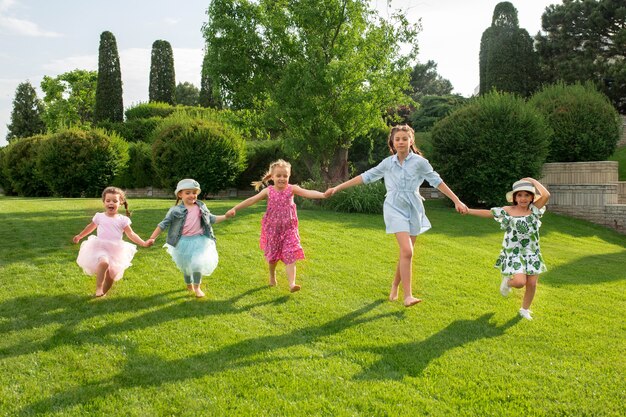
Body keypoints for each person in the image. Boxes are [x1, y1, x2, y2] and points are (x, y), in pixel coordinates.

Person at [325, 124, 467, 307]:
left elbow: (437, 181)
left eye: (404, 138)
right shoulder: (387, 163)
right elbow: (365, 177)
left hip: (414, 209)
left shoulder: (420, 163)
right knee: (408, 251)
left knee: (404, 254)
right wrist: (337, 187)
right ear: (392, 141)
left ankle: (394, 286)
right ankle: (408, 296)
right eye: (397, 139)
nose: (401, 142)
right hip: (393, 208)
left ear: (411, 141)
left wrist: (457, 201)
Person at [226, 159, 326, 292]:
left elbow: (308, 193)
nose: (282, 178)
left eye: (285, 176)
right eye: (278, 175)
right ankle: (272, 276)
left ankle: (292, 284)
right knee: (273, 258)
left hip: (289, 229)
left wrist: (323, 195)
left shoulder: (292, 189)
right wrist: (235, 208)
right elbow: (251, 200)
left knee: (290, 254)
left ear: (289, 176)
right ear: (272, 177)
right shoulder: (269, 191)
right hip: (273, 230)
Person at [464, 178, 550, 320]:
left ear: (532, 197)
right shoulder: (508, 210)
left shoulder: (535, 209)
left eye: (527, 195)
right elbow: (488, 213)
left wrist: (531, 180)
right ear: (515, 197)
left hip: (532, 252)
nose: (523, 198)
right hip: (514, 252)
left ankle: (525, 309)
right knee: (519, 282)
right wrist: (468, 211)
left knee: (532, 284)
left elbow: (546, 195)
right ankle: (507, 282)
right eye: (519, 195)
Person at [147, 179, 228, 298]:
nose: (192, 195)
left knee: (197, 264)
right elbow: (163, 224)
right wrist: (152, 238)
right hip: (182, 242)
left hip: (200, 241)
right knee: (185, 267)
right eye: (188, 192)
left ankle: (197, 287)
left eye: (194, 192)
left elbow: (211, 219)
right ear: (180, 194)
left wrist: (226, 216)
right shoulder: (175, 211)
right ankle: (188, 284)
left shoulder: (201, 206)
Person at [73, 186, 152, 297]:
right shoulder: (99, 216)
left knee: (112, 275)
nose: (111, 203)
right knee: (104, 262)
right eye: (108, 200)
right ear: (104, 202)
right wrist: (80, 236)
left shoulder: (123, 220)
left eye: (115, 201)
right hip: (100, 246)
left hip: (116, 250)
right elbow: (90, 227)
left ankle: (102, 294)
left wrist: (143, 243)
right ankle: (99, 287)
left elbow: (131, 234)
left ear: (120, 203)